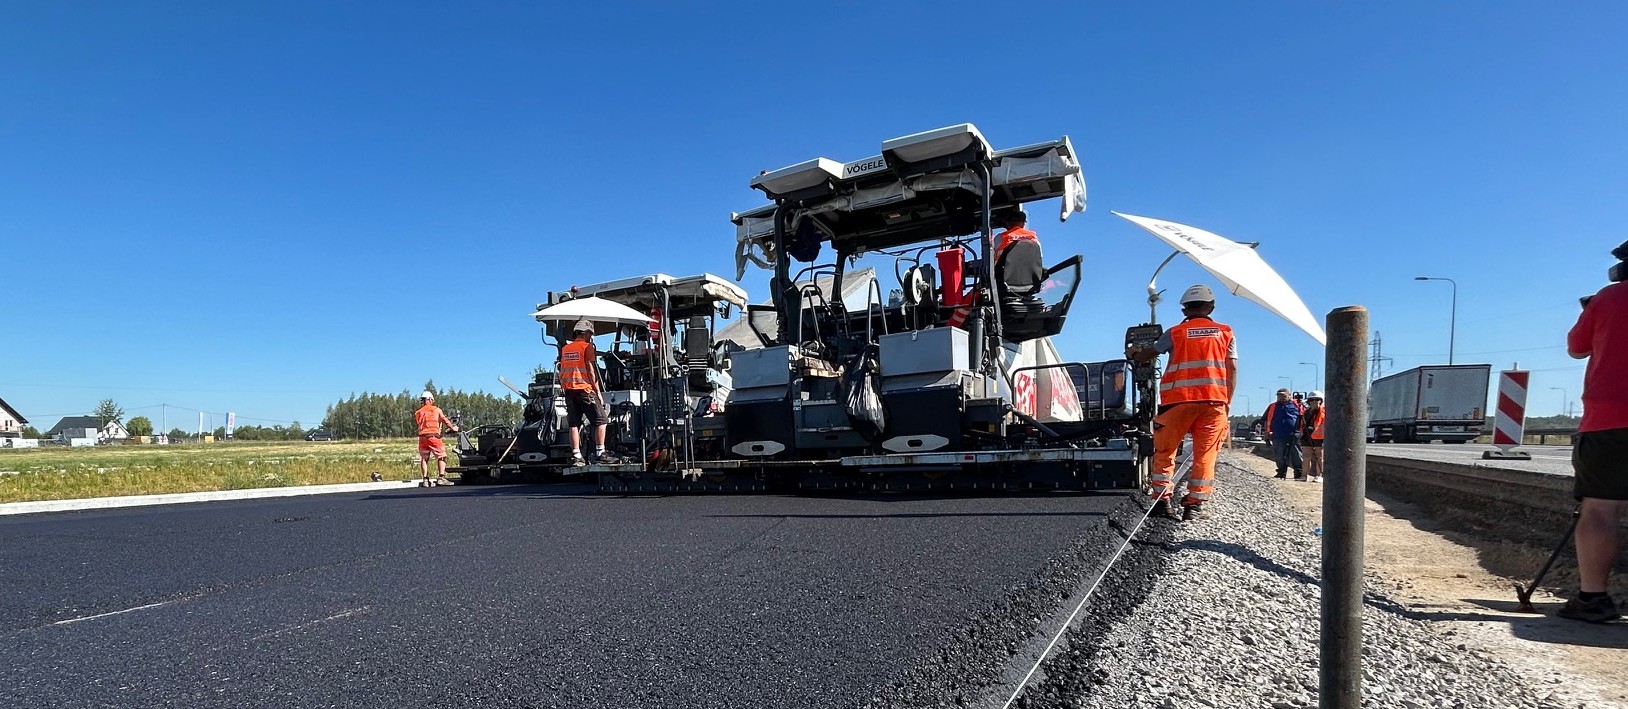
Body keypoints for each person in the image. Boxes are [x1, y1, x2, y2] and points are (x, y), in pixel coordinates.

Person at [1127, 284, 1238, 521]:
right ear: (1211, 307)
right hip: (1214, 403)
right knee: (1205, 454)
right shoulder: (1226, 332)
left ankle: (1161, 501)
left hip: (1176, 402)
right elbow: (1233, 367)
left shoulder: (1175, 333)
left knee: (1165, 451)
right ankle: (1194, 506)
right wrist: (1227, 401)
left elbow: (1150, 353)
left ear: (1184, 310)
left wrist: (1134, 353)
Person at [1560, 275, 1628, 622]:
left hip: (1612, 417)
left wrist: (1593, 310)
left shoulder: (1612, 296)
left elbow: (1576, 347)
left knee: (1601, 509)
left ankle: (1593, 598)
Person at [560, 319, 621, 466]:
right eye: (590, 334)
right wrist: (598, 391)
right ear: (587, 333)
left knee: (574, 424)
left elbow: (561, 370)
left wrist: (565, 387)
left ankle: (577, 456)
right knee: (601, 420)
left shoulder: (566, 349)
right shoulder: (587, 347)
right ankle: (601, 453)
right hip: (584, 389)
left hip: (569, 391)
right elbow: (591, 370)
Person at [413, 391, 459, 487]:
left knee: (424, 458)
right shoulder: (436, 410)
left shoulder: (418, 412)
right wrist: (453, 427)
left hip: (422, 438)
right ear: (430, 399)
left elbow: (422, 423)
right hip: (433, 437)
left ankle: (425, 480)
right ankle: (441, 478)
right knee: (441, 455)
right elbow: (444, 420)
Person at [1262, 388, 1305, 480]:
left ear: (1289, 396)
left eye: (1283, 395)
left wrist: (1302, 432)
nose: (1281, 397)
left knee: (1297, 454)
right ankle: (1281, 472)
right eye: (1279, 395)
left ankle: (1299, 472)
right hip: (1278, 434)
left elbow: (1304, 418)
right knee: (1279, 454)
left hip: (1294, 434)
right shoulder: (1272, 406)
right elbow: (1266, 420)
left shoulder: (1297, 405)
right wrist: (1267, 433)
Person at [1298, 391, 1326, 483]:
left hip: (1319, 437)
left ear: (1320, 401)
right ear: (1309, 401)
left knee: (1319, 456)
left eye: (1317, 399)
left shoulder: (1324, 411)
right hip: (1307, 436)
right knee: (1306, 456)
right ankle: (1304, 476)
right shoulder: (1305, 412)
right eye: (1312, 399)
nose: (1315, 401)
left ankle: (1319, 475)